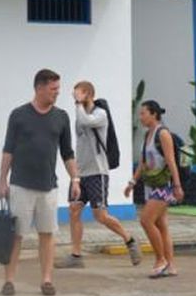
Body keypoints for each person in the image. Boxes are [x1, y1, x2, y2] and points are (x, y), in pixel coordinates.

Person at [0, 68, 80, 296]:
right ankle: (9, 280)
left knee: (47, 234)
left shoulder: (61, 117)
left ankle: (46, 280)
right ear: (39, 88)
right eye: (53, 89)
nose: (57, 93)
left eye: (58, 89)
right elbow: (8, 150)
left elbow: (67, 152)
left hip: (48, 187)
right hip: (21, 185)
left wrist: (75, 178)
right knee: (16, 235)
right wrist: (2, 180)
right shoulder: (18, 115)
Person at [55, 81, 140, 269]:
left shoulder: (100, 114)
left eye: (78, 94)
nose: (74, 98)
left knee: (100, 215)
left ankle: (129, 240)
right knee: (74, 210)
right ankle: (76, 255)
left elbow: (86, 121)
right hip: (81, 173)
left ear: (88, 94)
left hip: (97, 173)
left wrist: (78, 105)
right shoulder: (80, 114)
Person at [124, 100, 183, 278]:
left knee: (146, 220)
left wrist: (177, 186)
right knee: (161, 225)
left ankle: (160, 260)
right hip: (151, 185)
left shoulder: (163, 134)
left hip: (163, 186)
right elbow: (142, 162)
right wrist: (132, 182)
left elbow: (171, 161)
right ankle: (171, 265)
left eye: (143, 113)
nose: (140, 117)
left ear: (154, 114)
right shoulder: (147, 134)